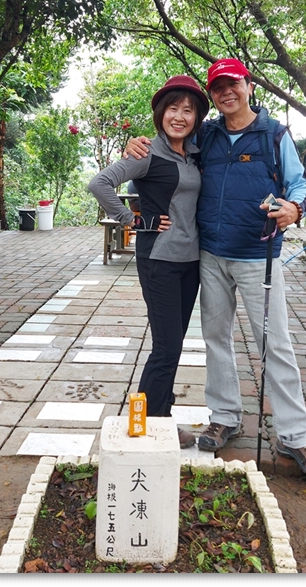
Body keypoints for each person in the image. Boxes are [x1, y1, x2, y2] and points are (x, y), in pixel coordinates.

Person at [125, 59, 306, 479]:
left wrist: (294, 208)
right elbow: (170, 141)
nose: (226, 92)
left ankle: (295, 436)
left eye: (232, 83)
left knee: (274, 344)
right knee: (216, 339)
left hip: (258, 255)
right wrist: (136, 145)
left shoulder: (274, 135)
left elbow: (299, 184)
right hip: (210, 254)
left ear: (248, 85)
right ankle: (224, 417)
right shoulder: (207, 134)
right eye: (218, 87)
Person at [88, 75, 210, 449]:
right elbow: (99, 184)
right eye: (173, 108)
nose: (180, 116)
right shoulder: (146, 154)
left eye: (188, 110)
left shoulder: (194, 153)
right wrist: (133, 221)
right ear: (160, 113)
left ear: (196, 118)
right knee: (166, 349)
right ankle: (148, 423)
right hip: (159, 261)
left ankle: (157, 417)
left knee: (172, 346)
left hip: (190, 262)